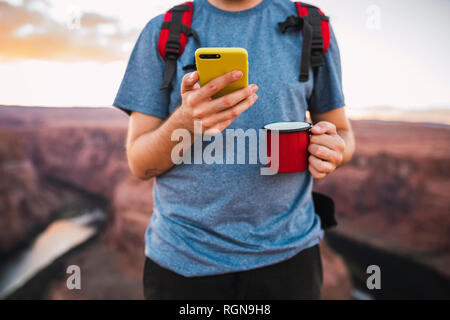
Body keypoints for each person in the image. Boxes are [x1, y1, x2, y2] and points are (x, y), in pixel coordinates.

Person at [113, 0, 355, 300]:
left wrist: (332, 149)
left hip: (290, 262)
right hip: (182, 264)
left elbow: (342, 133)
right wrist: (188, 122)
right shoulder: (162, 32)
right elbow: (139, 162)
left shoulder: (311, 27)